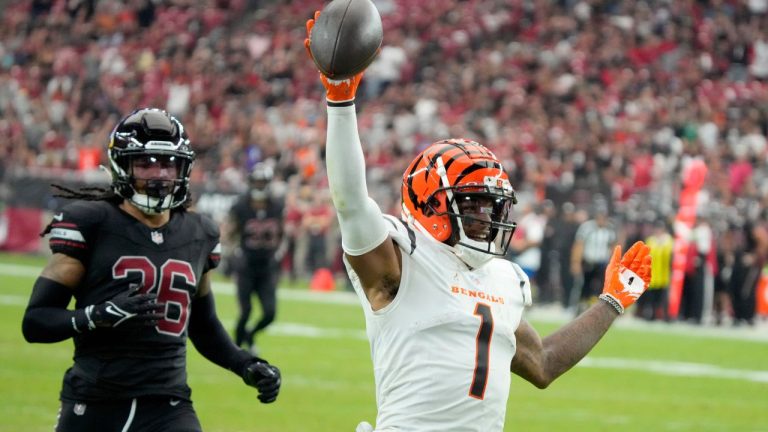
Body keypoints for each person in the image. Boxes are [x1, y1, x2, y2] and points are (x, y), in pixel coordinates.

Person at [304, 13, 652, 432]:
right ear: (429, 202)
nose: (487, 218)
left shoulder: (503, 279)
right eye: (473, 204)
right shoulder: (401, 263)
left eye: (492, 206)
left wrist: (610, 302)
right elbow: (350, 202)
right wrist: (340, 103)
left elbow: (542, 363)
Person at [21, 108, 281, 432]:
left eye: (169, 163)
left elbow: (203, 326)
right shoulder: (92, 222)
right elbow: (35, 322)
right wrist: (96, 315)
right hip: (94, 402)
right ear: (122, 165)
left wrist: (246, 364)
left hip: (168, 407)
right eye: (146, 163)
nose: (159, 174)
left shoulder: (199, 233)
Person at [226, 162, 287, 353]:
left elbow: (282, 232)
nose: (259, 186)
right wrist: (233, 253)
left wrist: (278, 252)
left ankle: (250, 336)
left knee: (270, 313)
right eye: (257, 182)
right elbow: (229, 232)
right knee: (245, 312)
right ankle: (236, 348)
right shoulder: (241, 206)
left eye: (263, 182)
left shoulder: (276, 206)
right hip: (246, 266)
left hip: (266, 267)